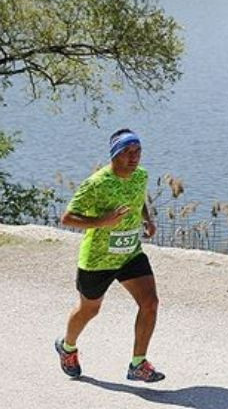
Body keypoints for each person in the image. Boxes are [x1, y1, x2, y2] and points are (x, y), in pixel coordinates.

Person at [54, 128, 165, 382]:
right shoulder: (96, 183)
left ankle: (138, 363)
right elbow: (67, 218)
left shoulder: (141, 176)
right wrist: (103, 221)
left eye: (137, 151)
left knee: (150, 303)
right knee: (89, 310)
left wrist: (147, 219)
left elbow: (139, 200)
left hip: (129, 254)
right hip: (98, 259)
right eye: (127, 152)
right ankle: (67, 346)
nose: (134, 157)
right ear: (115, 154)